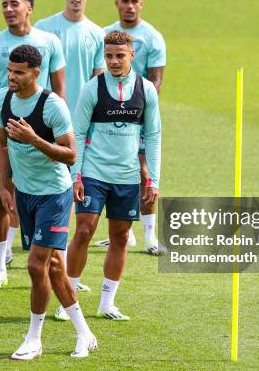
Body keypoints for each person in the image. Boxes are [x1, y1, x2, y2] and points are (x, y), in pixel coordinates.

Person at [0, 45, 97, 359]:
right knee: (52, 267)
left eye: (19, 72)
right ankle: (85, 334)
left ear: (36, 73)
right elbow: (1, 143)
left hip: (54, 195)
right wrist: (4, 185)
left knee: (36, 265)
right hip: (24, 194)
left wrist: (34, 139)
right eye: (10, 70)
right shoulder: (3, 99)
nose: (12, 76)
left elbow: (70, 155)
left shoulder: (53, 106)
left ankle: (33, 339)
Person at [66, 31, 162, 320]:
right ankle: (67, 299)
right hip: (94, 173)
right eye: (109, 56)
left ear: (132, 55)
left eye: (120, 55)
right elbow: (78, 133)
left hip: (128, 176)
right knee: (84, 230)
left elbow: (154, 135)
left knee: (120, 237)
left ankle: (107, 303)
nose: (114, 61)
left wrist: (152, 179)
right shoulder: (92, 88)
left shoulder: (146, 90)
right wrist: (76, 175)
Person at [0, 0, 66, 288]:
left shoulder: (48, 42)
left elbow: (59, 90)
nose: (7, 9)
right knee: (1, 196)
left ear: (29, 7)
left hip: (42, 132)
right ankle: (0, 265)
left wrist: (53, 135)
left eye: (14, 4)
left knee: (49, 193)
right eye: (3, 4)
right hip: (6, 132)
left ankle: (56, 266)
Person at [35, 0, 105, 306]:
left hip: (84, 132)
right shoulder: (45, 30)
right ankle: (41, 261)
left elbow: (99, 83)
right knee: (47, 193)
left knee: (78, 202)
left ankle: (63, 272)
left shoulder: (97, 34)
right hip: (52, 128)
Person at [95, 0, 166, 255]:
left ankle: (149, 236)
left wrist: (135, 108)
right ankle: (125, 233)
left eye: (134, 1)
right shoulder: (106, 34)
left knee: (144, 171)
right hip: (108, 119)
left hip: (139, 117)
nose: (129, 6)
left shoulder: (152, 37)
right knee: (109, 170)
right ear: (116, 3)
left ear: (141, 3)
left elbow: (157, 80)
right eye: (124, 1)